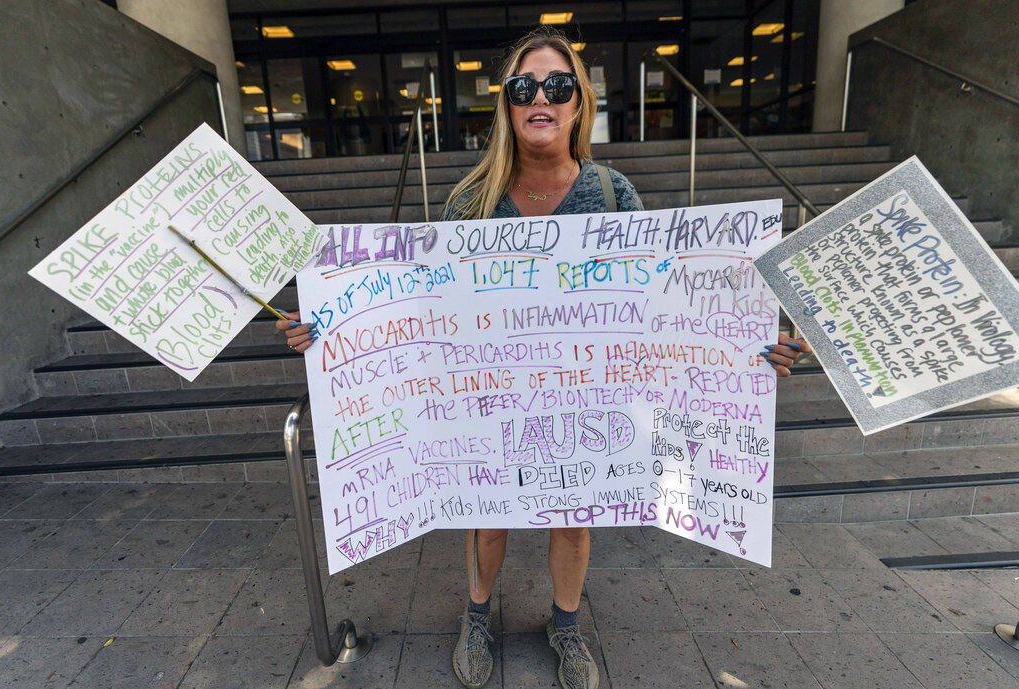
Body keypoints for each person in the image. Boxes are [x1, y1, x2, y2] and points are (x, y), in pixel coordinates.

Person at [279, 26, 810, 689]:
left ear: (579, 103)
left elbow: (667, 302)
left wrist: (752, 345)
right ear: (505, 103)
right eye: (524, 86)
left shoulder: (615, 195)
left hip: (584, 397)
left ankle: (565, 623)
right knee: (487, 514)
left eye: (558, 86)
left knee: (575, 517)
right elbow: (411, 303)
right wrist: (326, 324)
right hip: (489, 396)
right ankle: (476, 617)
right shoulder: (468, 205)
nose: (541, 98)